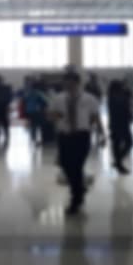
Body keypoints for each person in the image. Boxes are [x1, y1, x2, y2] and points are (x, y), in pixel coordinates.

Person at [47, 70, 101, 216]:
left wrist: (101, 134)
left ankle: (76, 199)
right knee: (65, 164)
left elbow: (95, 116)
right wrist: (56, 115)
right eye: (66, 83)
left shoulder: (89, 99)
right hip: (64, 136)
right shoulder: (58, 99)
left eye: (71, 83)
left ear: (78, 83)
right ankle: (79, 189)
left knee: (76, 166)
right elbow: (50, 115)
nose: (68, 86)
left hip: (82, 136)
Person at [107, 80, 133, 175]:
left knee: (127, 143)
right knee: (121, 144)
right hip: (118, 124)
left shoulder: (118, 96)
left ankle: (118, 161)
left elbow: (127, 104)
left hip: (122, 123)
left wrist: (130, 115)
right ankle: (118, 164)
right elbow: (122, 107)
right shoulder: (113, 97)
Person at [23, 80, 50, 145]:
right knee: (41, 125)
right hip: (37, 111)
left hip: (29, 111)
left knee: (33, 126)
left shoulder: (28, 93)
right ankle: (42, 140)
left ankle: (33, 139)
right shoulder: (39, 93)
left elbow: (24, 100)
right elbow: (46, 101)